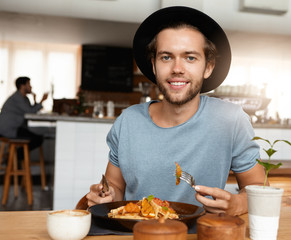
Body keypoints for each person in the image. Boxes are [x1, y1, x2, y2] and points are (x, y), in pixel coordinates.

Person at [86, 6, 266, 216]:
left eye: (190, 58)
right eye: (166, 57)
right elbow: (115, 188)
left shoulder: (231, 120)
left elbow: (259, 188)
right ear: (153, 65)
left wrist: (238, 204)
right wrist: (106, 196)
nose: (177, 68)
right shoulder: (128, 121)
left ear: (208, 67)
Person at [0, 76, 48, 159]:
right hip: (8, 130)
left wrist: (35, 100)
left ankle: (14, 157)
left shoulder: (25, 99)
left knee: (38, 138)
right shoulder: (17, 97)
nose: (31, 86)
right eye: (29, 84)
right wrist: (42, 101)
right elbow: (30, 112)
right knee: (37, 139)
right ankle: (13, 157)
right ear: (22, 86)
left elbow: (31, 111)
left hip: (15, 128)